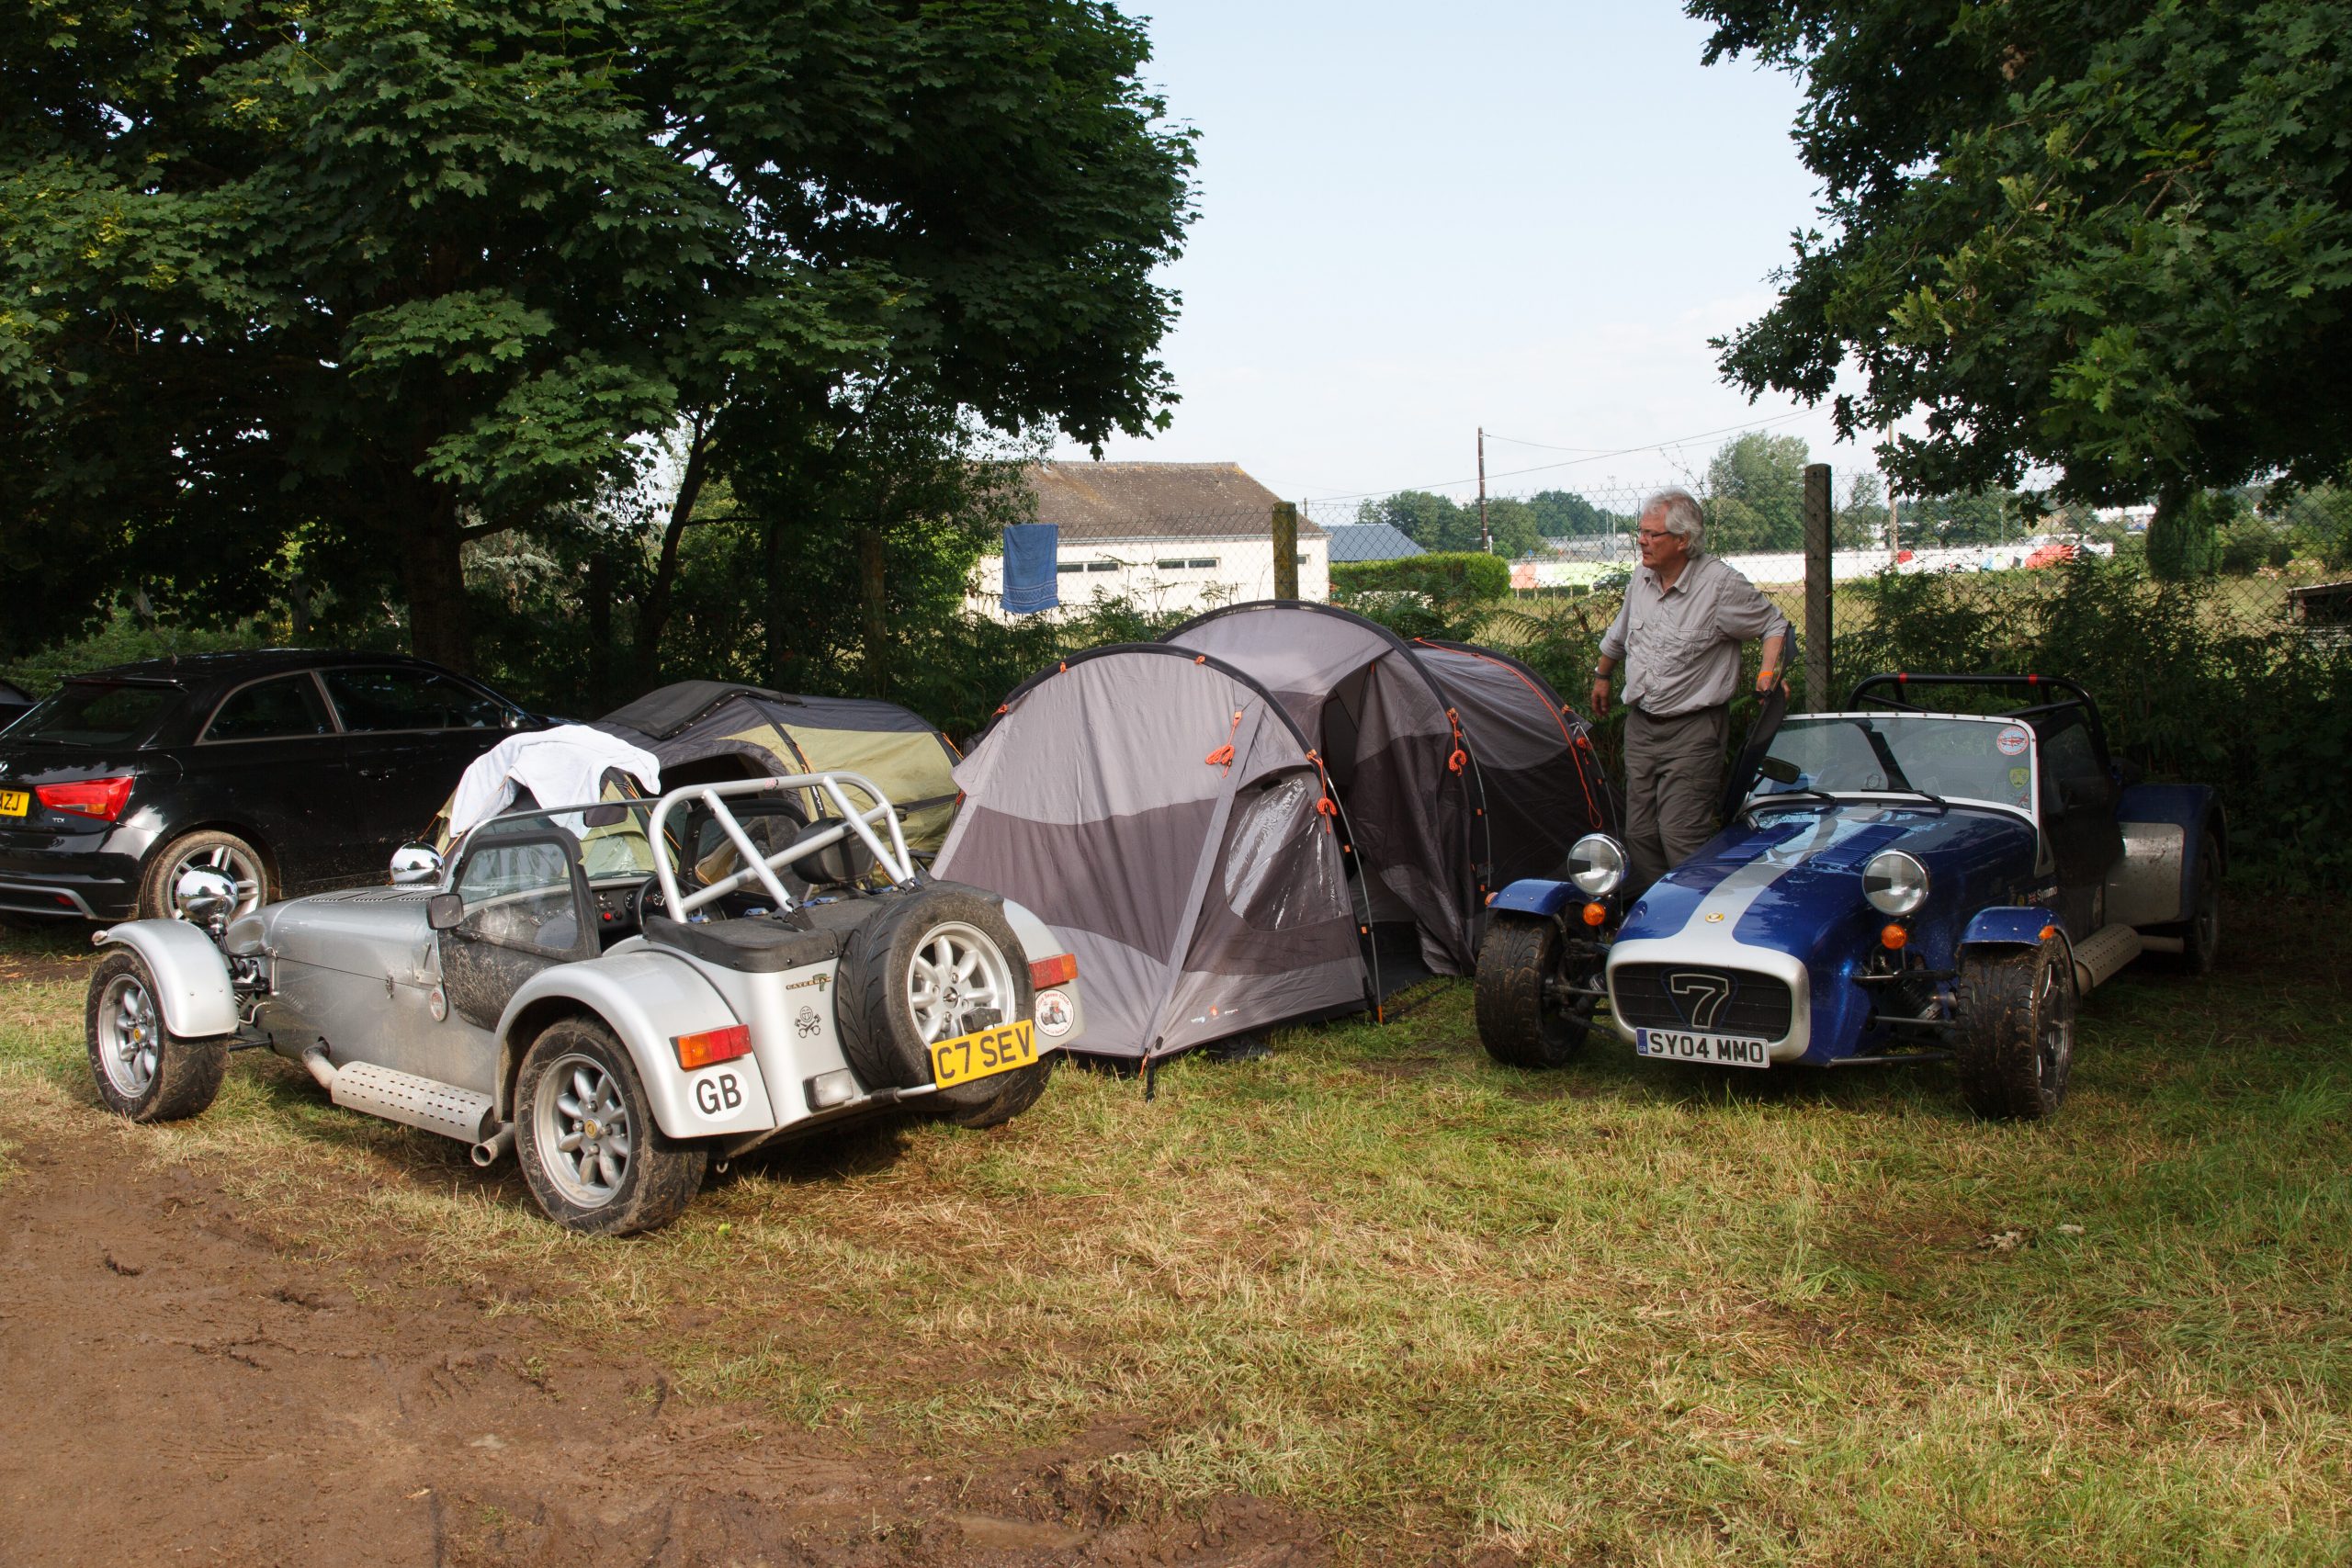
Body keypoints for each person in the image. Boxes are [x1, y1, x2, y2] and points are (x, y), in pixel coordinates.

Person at [1589, 489, 1791, 893]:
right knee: (1641, 833)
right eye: (1640, 533)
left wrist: (1768, 672)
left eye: (1652, 534)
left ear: (1683, 540)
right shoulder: (1642, 578)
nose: (1642, 541)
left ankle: (1697, 926)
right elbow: (1619, 632)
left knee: (1680, 833)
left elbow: (1775, 624)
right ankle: (1656, 921)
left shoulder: (1719, 586)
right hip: (1641, 726)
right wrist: (1603, 674)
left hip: (1694, 730)